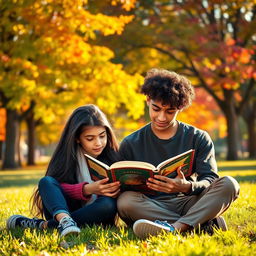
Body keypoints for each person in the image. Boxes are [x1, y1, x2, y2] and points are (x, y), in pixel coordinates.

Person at [117, 68, 240, 239]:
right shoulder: (130, 143)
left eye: (170, 111)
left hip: (189, 202)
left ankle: (176, 228)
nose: (161, 117)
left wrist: (186, 186)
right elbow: (122, 186)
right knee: (125, 201)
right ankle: (204, 225)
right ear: (147, 100)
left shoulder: (198, 137)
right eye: (156, 108)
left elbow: (210, 179)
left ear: (180, 108)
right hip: (150, 204)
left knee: (229, 184)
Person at [7, 104, 121, 237]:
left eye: (102, 136)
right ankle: (64, 221)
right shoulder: (66, 156)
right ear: (77, 138)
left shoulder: (113, 156)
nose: (98, 143)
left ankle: (44, 225)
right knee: (46, 182)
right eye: (90, 138)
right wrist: (87, 189)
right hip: (62, 211)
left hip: (97, 213)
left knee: (108, 204)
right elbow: (55, 189)